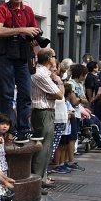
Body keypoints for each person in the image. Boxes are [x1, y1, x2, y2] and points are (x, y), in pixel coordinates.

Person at [0, 0, 42, 141]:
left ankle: (24, 128)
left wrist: (35, 42)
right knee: (7, 94)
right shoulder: (2, 8)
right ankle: (10, 128)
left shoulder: (28, 10)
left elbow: (32, 33)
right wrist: (23, 29)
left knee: (25, 93)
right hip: (6, 54)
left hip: (23, 54)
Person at [30, 48, 64, 189]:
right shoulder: (41, 74)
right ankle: (37, 181)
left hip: (47, 110)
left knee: (47, 147)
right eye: (54, 56)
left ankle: (42, 178)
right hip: (42, 111)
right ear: (50, 58)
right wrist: (59, 83)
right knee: (42, 147)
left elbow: (56, 95)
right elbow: (60, 94)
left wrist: (56, 87)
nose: (55, 59)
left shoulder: (46, 73)